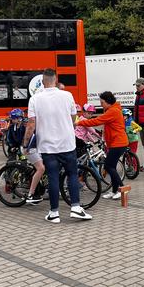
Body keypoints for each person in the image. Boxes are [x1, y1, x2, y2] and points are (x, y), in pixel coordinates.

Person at [23, 68, 91, 223]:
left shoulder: (35, 99)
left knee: (53, 177)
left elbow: (31, 124)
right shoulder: (67, 95)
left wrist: (26, 143)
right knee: (72, 174)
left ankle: (54, 213)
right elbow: (73, 117)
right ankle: (75, 207)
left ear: (42, 81)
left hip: (47, 146)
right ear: (55, 79)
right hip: (67, 143)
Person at [77, 91, 129, 199]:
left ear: (108, 102)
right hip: (116, 143)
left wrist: (79, 123)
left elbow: (97, 121)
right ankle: (114, 191)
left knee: (108, 166)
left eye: (102, 102)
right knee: (112, 167)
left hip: (118, 143)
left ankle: (122, 188)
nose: (101, 104)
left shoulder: (113, 111)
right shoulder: (111, 110)